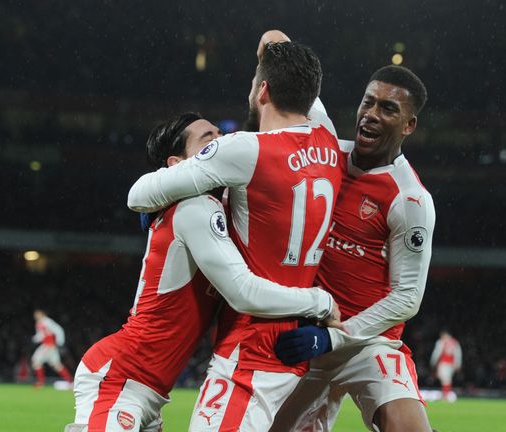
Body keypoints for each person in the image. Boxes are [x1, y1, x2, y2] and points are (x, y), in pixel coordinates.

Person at [65, 112, 341, 432]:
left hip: (150, 389)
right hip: (121, 376)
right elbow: (243, 292)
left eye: (219, 134)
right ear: (176, 164)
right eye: (207, 139)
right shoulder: (195, 208)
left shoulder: (227, 208)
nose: (220, 142)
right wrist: (318, 300)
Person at [127, 35, 349, 431]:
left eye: (254, 82)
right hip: (297, 342)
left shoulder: (246, 150)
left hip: (252, 344)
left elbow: (138, 194)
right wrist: (277, 50)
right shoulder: (329, 140)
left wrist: (163, 199)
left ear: (262, 90)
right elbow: (294, 72)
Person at [271, 63, 435, 432]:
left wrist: (336, 335)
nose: (372, 114)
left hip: (365, 343)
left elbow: (408, 296)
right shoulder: (325, 154)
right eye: (369, 102)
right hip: (305, 335)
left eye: (388, 109)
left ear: (409, 126)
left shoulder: (410, 199)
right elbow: (282, 54)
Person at [31, 309, 73, 387]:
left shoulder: (47, 321)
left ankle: (40, 382)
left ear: (42, 314)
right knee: (57, 365)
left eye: (37, 314)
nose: (36, 316)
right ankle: (70, 381)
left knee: (36, 360)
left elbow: (58, 330)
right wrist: (34, 339)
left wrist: (60, 342)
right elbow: (41, 335)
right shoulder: (39, 323)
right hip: (49, 346)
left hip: (48, 345)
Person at [430, 330, 462, 402]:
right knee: (446, 379)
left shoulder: (442, 341)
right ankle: (446, 395)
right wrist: (458, 363)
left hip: (444, 363)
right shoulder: (454, 342)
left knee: (445, 380)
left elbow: (437, 352)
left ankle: (445, 396)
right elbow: (458, 354)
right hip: (451, 364)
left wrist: (433, 362)